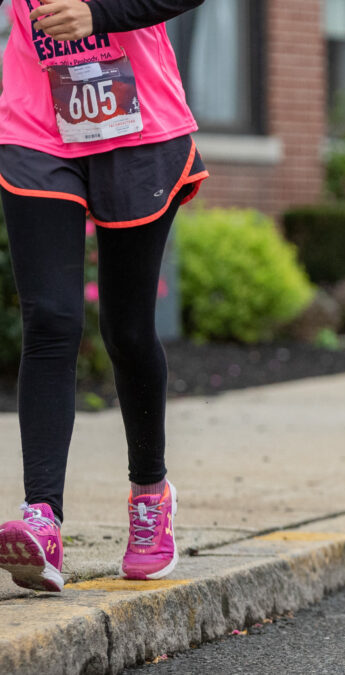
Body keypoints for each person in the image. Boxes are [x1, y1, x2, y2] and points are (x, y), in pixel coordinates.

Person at [0, 0, 208, 593]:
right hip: (36, 129)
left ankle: (150, 493)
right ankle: (42, 519)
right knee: (51, 320)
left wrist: (98, 13)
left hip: (137, 126)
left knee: (129, 329)